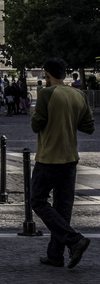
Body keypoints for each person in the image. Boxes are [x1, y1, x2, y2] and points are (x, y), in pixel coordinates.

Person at [30, 57, 94, 269]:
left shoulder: (46, 94)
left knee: (37, 200)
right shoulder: (79, 94)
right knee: (63, 207)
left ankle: (75, 240)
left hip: (49, 157)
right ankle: (55, 254)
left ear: (47, 74)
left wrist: (33, 114)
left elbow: (37, 124)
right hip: (70, 158)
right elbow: (88, 126)